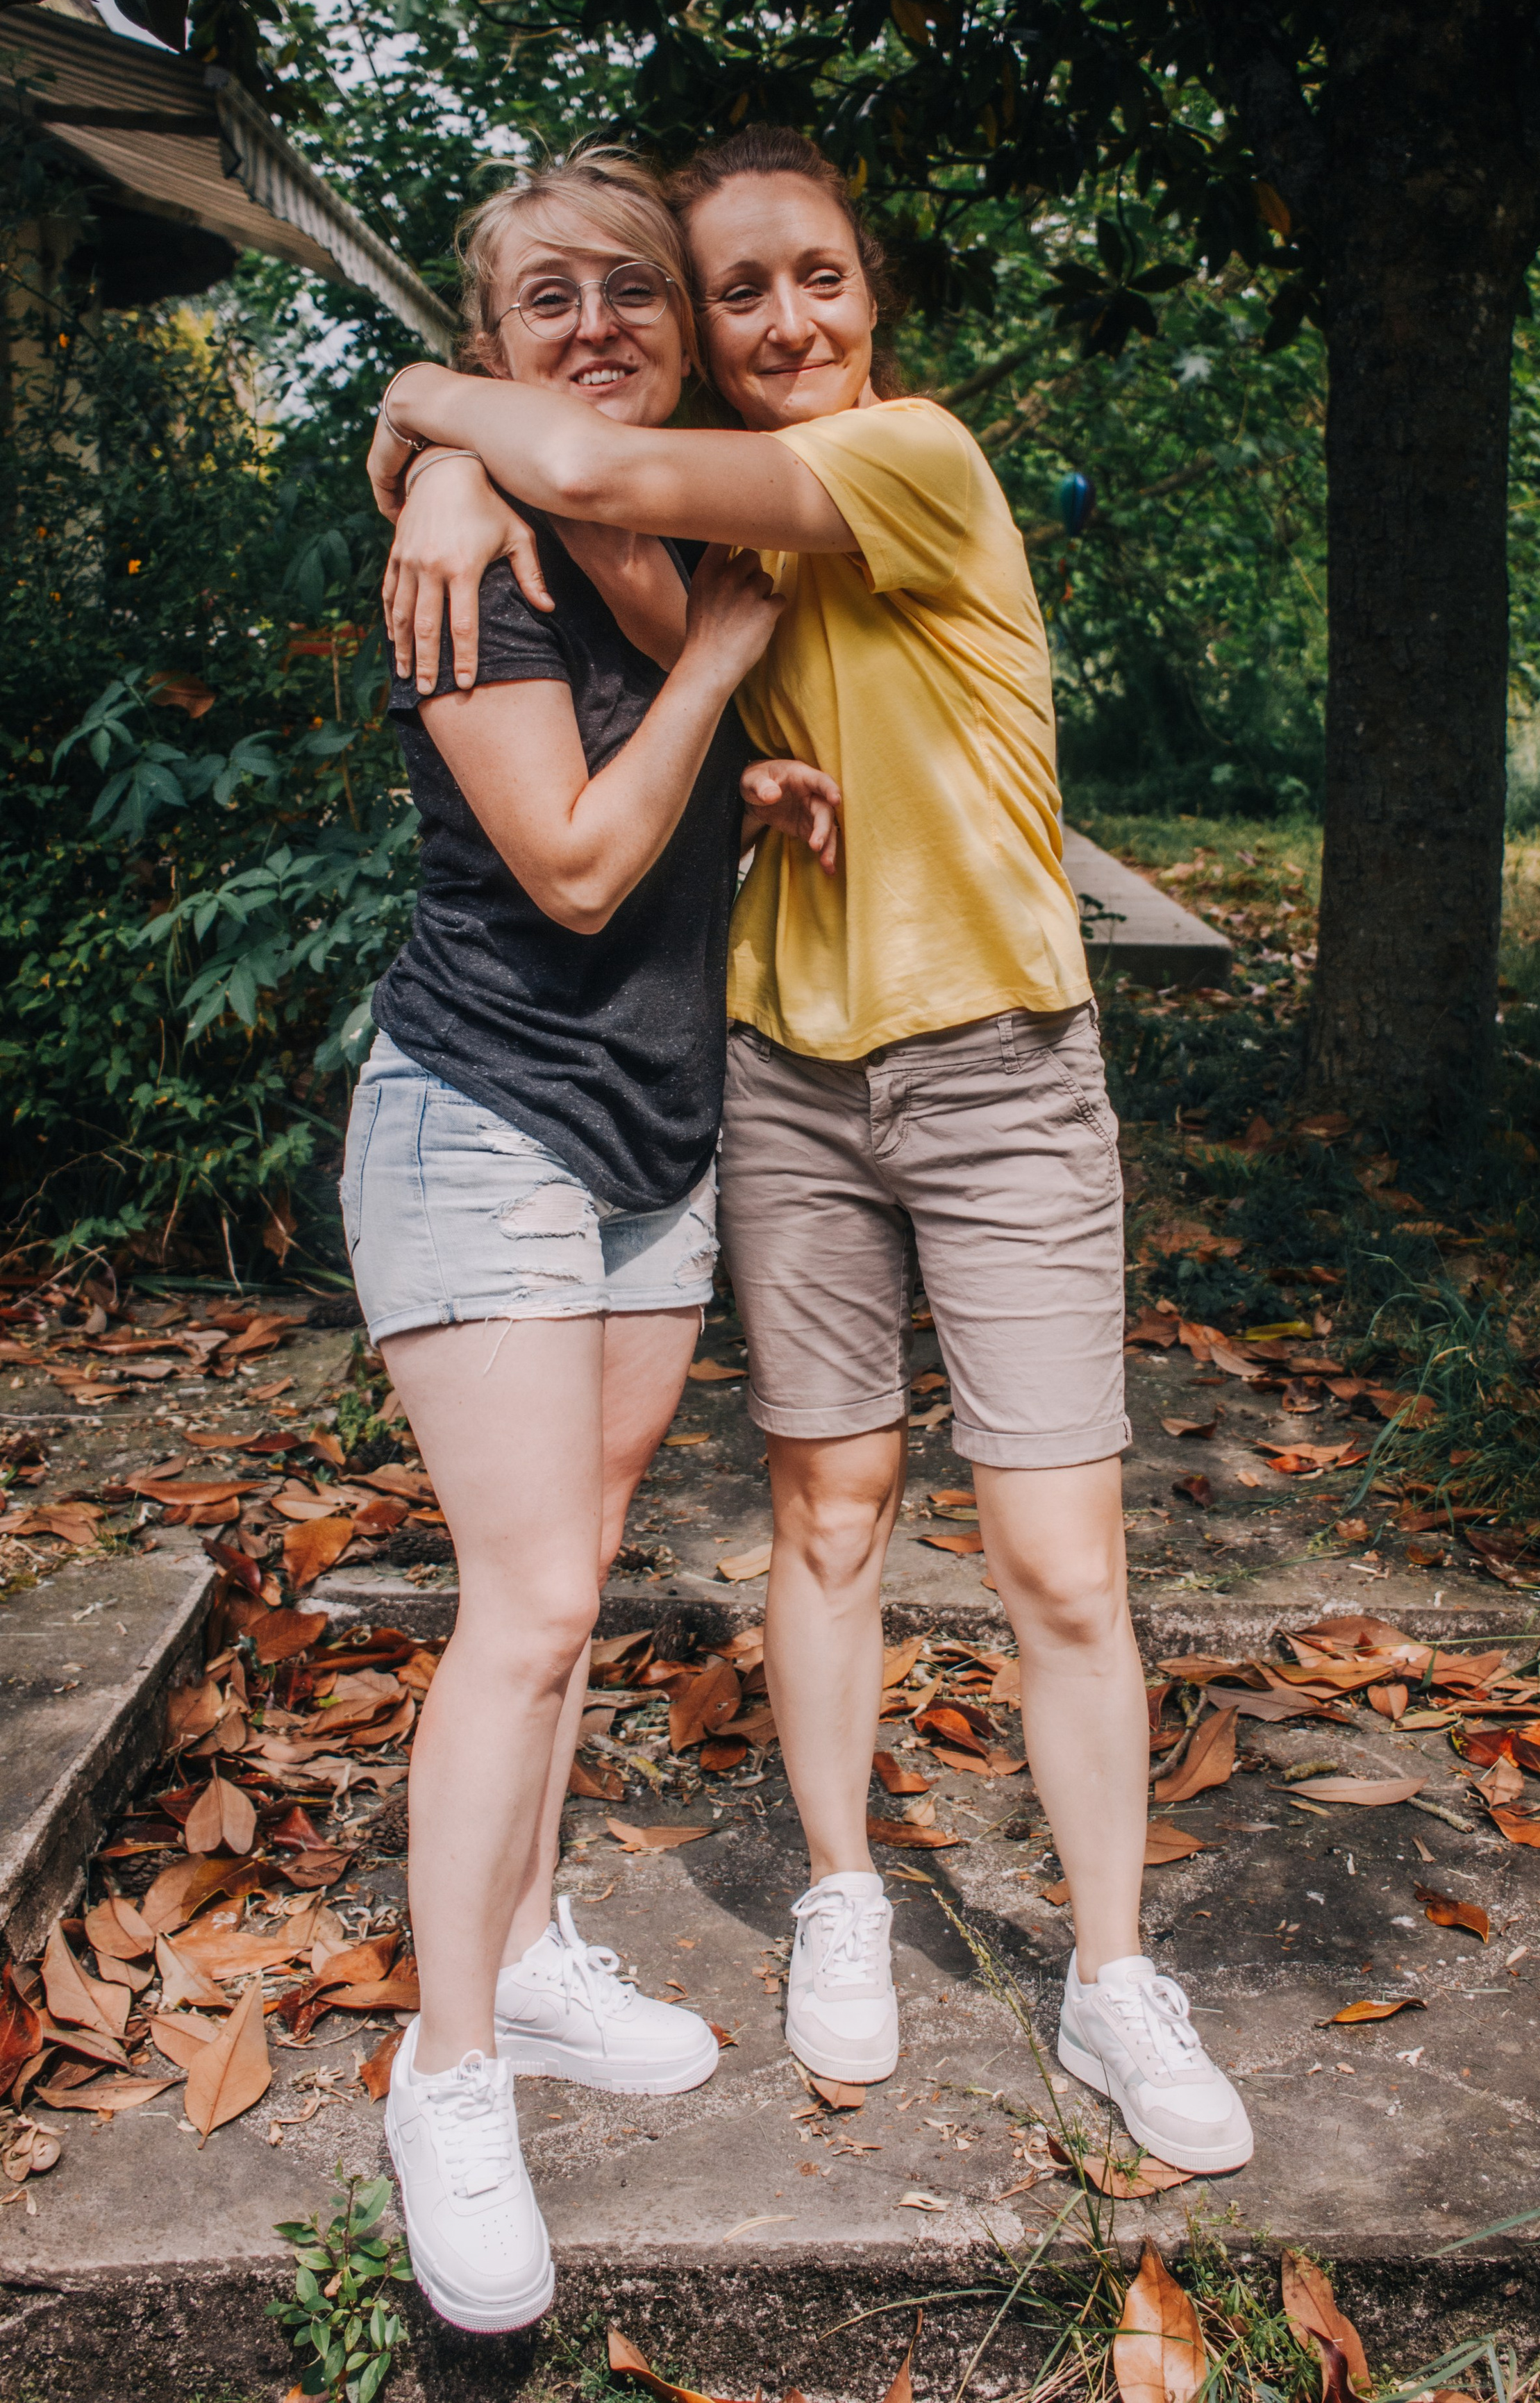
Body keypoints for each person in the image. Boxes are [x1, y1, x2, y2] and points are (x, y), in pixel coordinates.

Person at [369, 126, 1253, 2182]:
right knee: (830, 1515)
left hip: (1001, 1068)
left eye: (812, 277)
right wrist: (445, 473)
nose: (781, 319)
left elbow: (579, 462)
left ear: (875, 298)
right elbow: (624, 636)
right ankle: (841, 1885)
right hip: (777, 1073)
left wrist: (417, 407)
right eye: (737, 287)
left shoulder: (910, 459)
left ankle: (1115, 1972)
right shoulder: (672, 556)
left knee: (1057, 1556)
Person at [349, 140, 840, 2336]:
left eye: (629, 292)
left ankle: (529, 1948)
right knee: (535, 1602)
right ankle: (444, 2069)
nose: (597, 329)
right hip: (484, 1117)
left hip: (655, 1126)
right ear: (491, 339)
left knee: (588, 1545)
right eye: (542, 301)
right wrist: (734, 670)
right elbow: (556, 857)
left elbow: (642, 770)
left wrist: (731, 771)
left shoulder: (640, 524)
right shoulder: (489, 553)